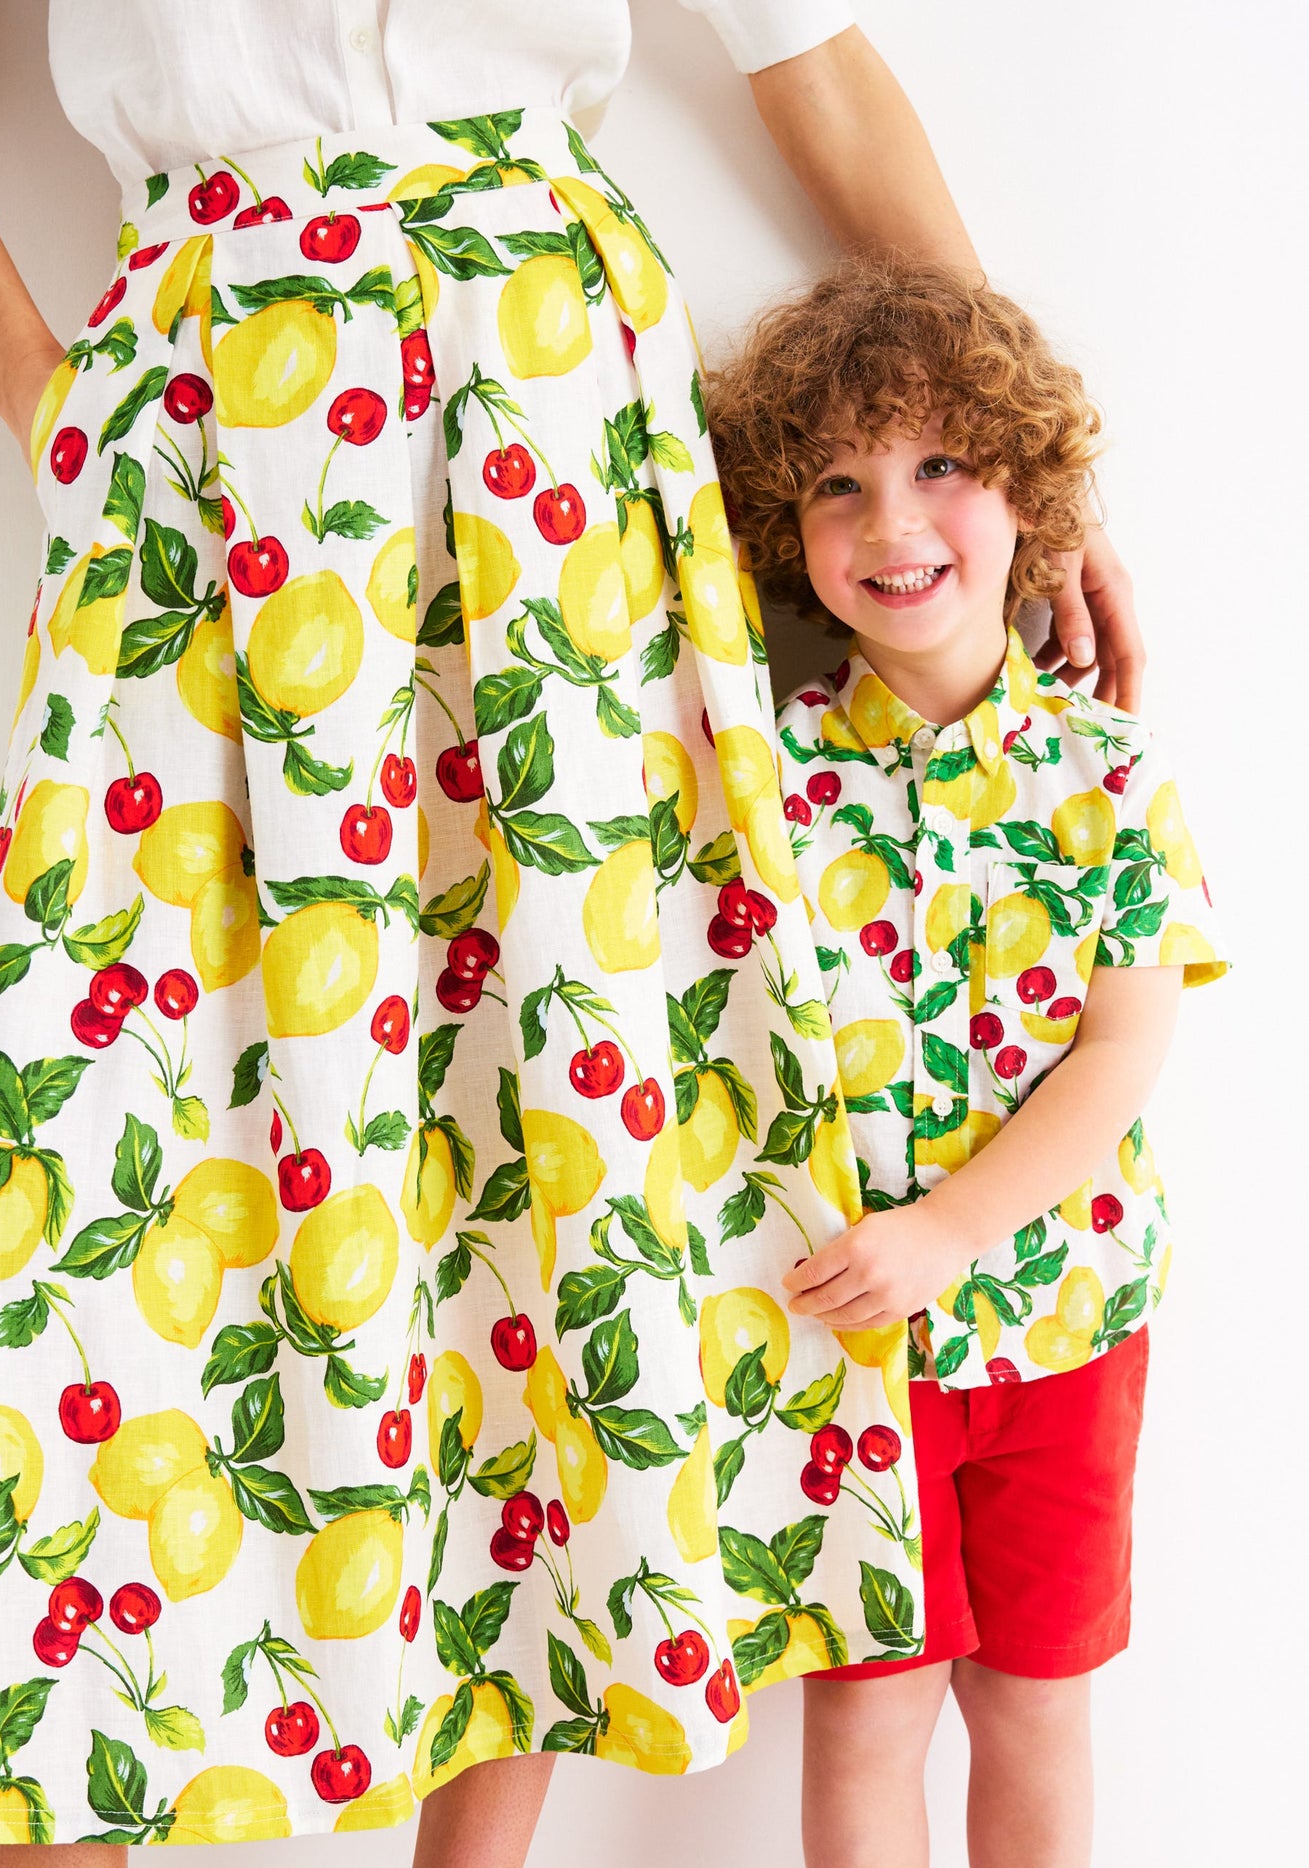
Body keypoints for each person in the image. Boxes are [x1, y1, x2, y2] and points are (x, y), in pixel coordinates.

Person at [0, 6, 1145, 1867]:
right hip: (201, 414)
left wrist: (1036, 476)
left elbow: (810, 58)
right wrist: (18, 370)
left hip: (544, 417)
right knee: (78, 1154)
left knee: (541, 1122)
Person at [706, 253, 1228, 1868]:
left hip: (1066, 1328)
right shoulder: (759, 784)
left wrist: (952, 1230)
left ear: (1028, 501)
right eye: (838, 486)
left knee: (1033, 1703)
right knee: (867, 1716)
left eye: (938, 465)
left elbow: (1124, 1048)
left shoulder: (1107, 773)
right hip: (847, 1348)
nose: (890, 523)